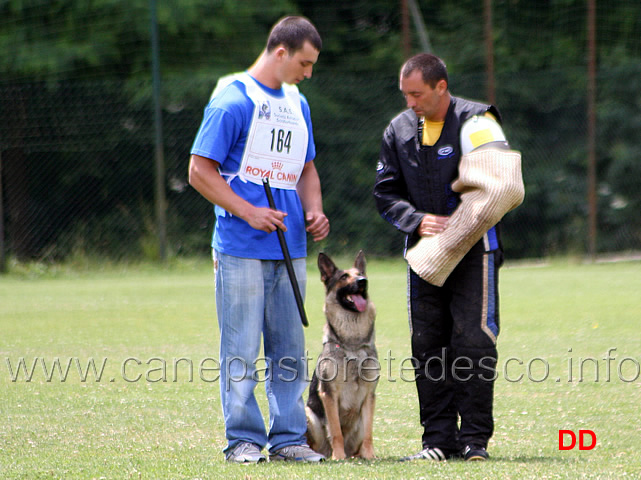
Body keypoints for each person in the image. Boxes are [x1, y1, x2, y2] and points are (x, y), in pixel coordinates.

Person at [188, 16, 329, 463]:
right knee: (242, 348)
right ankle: (244, 440)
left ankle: (288, 440)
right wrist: (248, 211)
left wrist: (314, 209)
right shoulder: (233, 101)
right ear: (281, 52)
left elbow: (306, 168)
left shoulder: (297, 102)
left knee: (290, 348)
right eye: (304, 63)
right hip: (239, 246)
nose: (308, 73)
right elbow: (198, 171)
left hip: (290, 248)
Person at [373, 53, 518, 462]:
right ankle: (437, 441)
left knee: (472, 342)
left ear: (441, 87)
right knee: (427, 345)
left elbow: (503, 183)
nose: (410, 103)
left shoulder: (477, 122)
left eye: (417, 94)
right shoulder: (398, 130)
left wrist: (463, 224)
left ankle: (474, 441)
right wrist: (416, 220)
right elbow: (385, 193)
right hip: (425, 256)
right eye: (405, 95)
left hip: (476, 251)